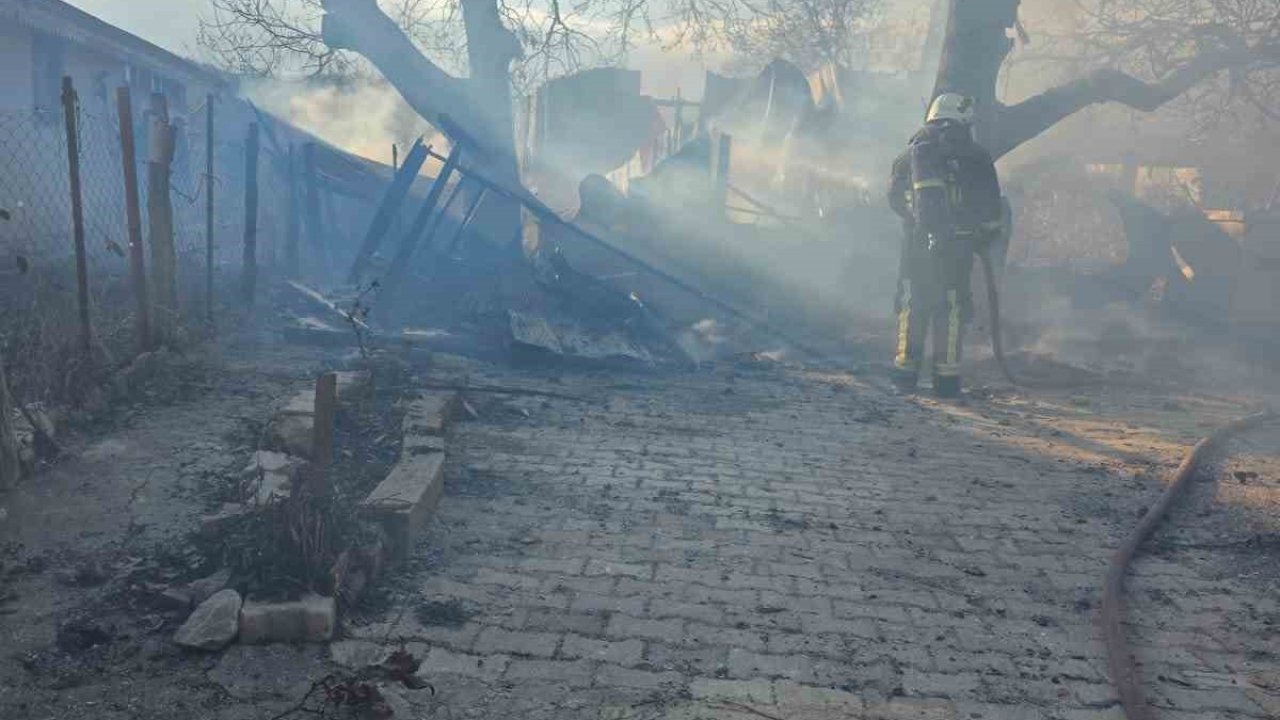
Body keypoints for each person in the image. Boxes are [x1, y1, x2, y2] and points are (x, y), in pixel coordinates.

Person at [888, 93, 1004, 397]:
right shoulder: (976, 156)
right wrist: (981, 235)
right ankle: (946, 380)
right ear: (965, 120)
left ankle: (904, 375)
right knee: (951, 307)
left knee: (913, 303)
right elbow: (992, 209)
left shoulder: (910, 154)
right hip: (957, 247)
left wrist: (919, 224)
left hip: (915, 246)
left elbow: (894, 199)